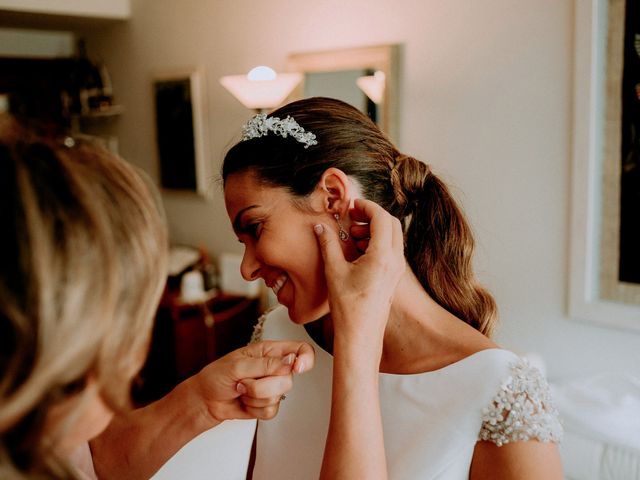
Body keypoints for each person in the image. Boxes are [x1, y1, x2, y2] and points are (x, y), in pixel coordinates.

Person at [0, 113, 405, 480]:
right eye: (129, 313)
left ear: (333, 197)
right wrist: (358, 346)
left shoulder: (44, 439)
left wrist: (201, 401)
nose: (133, 361)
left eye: (256, 227)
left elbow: (93, 460)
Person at [222, 96, 564, 479]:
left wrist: (355, 342)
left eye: (254, 228)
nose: (247, 269)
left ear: (333, 196)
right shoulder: (276, 335)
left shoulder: (502, 396)